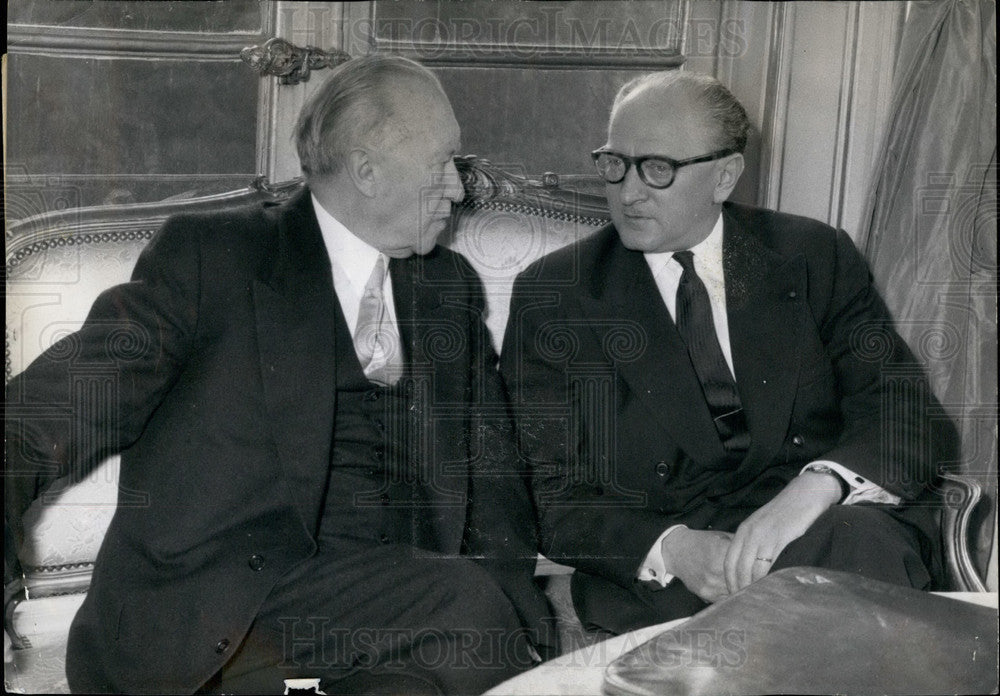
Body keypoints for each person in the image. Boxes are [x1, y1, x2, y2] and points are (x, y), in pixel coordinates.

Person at [4, 55, 554, 694]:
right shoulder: (218, 259)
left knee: (447, 646)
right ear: (368, 172)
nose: (460, 189)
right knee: (462, 607)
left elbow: (495, 484)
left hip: (388, 620)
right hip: (221, 615)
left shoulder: (446, 287)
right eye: (444, 166)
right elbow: (52, 411)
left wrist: (521, 632)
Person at [500, 71, 958, 635]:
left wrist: (817, 488)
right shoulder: (556, 295)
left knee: (858, 552)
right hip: (673, 575)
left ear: (724, 176)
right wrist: (672, 549)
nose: (628, 192)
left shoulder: (813, 256)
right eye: (614, 164)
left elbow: (906, 412)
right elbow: (548, 492)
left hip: (826, 537)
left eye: (657, 168)